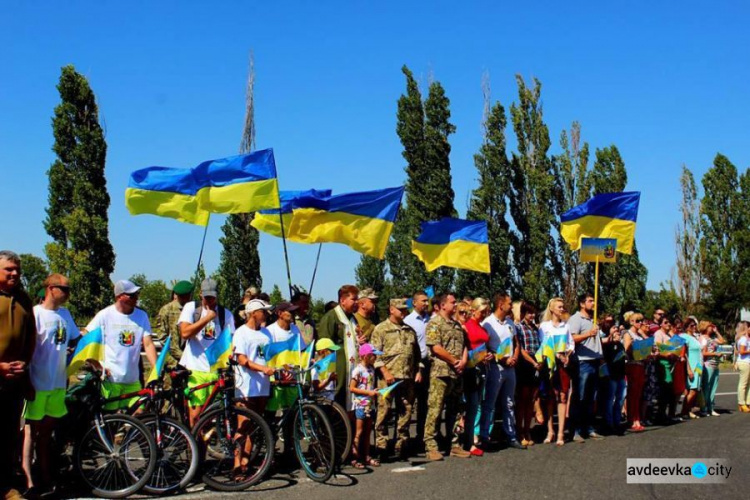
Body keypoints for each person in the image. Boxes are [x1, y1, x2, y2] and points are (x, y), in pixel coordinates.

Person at [21, 274, 79, 496]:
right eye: (64, 289)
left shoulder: (65, 314)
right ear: (51, 289)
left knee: (46, 434)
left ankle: (45, 474)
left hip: (58, 383)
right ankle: (28, 480)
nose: (67, 294)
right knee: (30, 433)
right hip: (37, 382)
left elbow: (76, 339)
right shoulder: (35, 314)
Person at [83, 280, 157, 411]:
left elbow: (148, 343)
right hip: (111, 379)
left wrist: (156, 368)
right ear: (119, 297)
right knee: (111, 419)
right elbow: (85, 336)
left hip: (133, 379)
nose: (136, 298)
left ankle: (126, 431)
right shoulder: (105, 315)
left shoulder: (142, 316)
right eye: (132, 295)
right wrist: (96, 364)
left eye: (137, 294)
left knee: (140, 413)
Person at [0, 251, 36, 500]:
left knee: (8, 437)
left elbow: (31, 337)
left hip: (14, 382)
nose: (14, 273)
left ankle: (5, 488)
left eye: (17, 270)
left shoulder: (23, 298)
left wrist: (24, 364)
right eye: (8, 269)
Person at [178, 278, 235, 426]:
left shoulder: (225, 314)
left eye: (213, 297)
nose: (210, 301)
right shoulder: (191, 308)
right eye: (207, 297)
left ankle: (204, 444)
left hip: (216, 370)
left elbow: (231, 341)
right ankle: (196, 445)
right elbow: (185, 333)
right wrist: (207, 318)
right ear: (200, 295)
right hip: (195, 369)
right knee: (196, 415)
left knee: (213, 415)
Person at [370, 298, 421, 460]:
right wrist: (385, 372)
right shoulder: (381, 329)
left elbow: (417, 354)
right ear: (391, 309)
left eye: (405, 309)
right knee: (384, 412)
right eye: (400, 309)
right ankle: (382, 446)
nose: (403, 312)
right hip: (388, 379)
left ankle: (401, 444)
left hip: (407, 378)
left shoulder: (409, 330)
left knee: (405, 411)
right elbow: (374, 355)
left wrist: (418, 370)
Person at [423, 294, 470, 461]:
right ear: (442, 305)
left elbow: (465, 345)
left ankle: (454, 444)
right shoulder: (434, 323)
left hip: (456, 374)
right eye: (452, 302)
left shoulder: (457, 325)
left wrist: (463, 361)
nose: (455, 304)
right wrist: (454, 360)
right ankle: (431, 446)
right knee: (435, 410)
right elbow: (435, 347)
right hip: (441, 373)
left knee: (456, 410)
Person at [232, 298, 274, 479]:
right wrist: (262, 369)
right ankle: (235, 464)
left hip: (263, 386)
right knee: (242, 426)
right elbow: (242, 359)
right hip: (246, 386)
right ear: (253, 313)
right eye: (263, 311)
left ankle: (246, 463)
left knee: (255, 427)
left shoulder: (266, 334)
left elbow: (270, 356)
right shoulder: (241, 333)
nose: (266, 314)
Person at [480, 293, 525, 450]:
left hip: (510, 368)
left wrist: (515, 357)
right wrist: (502, 358)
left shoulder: (510, 323)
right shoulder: (488, 323)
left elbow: (516, 342)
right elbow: (485, 347)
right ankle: (484, 435)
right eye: (509, 303)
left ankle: (511, 435)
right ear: (500, 304)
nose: (511, 306)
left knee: (509, 402)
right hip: (495, 368)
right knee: (490, 403)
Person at [318, 285, 361, 410]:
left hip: (352, 368)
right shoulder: (331, 317)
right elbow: (324, 346)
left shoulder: (353, 318)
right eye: (353, 299)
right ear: (342, 300)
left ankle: (346, 428)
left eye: (357, 299)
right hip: (338, 369)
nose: (356, 302)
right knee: (337, 398)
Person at [538, 298, 575, 446]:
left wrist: (567, 354)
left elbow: (570, 343)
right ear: (552, 309)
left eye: (563, 306)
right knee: (550, 397)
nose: (562, 309)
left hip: (562, 366)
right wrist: (553, 354)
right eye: (559, 307)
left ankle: (560, 433)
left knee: (563, 396)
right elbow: (543, 344)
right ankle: (550, 431)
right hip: (549, 365)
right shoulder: (544, 326)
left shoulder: (565, 327)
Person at [568, 293, 605, 442]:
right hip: (582, 362)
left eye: (594, 300)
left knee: (591, 398)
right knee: (580, 397)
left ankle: (589, 427)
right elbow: (571, 338)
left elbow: (598, 340)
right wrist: (588, 334)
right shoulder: (576, 319)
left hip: (595, 361)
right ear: (582, 304)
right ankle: (576, 430)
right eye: (590, 301)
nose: (593, 303)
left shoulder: (594, 319)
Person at [461, 297, 491, 456]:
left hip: (482, 367)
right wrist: (476, 356)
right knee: (472, 405)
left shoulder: (480, 326)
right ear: (473, 310)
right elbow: (464, 347)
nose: (484, 314)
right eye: (482, 311)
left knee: (478, 404)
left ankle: (472, 436)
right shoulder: (466, 326)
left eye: (486, 312)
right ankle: (469, 441)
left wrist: (487, 355)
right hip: (471, 369)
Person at [265, 302, 305, 413]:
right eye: (290, 311)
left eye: (293, 311)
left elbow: (301, 350)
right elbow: (268, 356)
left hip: (292, 377)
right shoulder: (270, 331)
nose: (293, 313)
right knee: (272, 413)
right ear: (280, 313)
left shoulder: (295, 329)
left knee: (292, 412)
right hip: (277, 380)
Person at [403, 290, 431, 449]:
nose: (426, 304)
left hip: (430, 364)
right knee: (410, 402)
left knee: (427, 403)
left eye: (427, 301)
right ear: (414, 303)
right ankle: (405, 439)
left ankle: (423, 435)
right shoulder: (409, 321)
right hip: (415, 366)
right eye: (423, 301)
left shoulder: (432, 319)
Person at [350, 343, 382, 468]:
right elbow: (352, 388)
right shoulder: (358, 370)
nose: (375, 357)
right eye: (372, 355)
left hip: (370, 405)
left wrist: (374, 391)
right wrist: (368, 392)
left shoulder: (371, 369)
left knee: (368, 431)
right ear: (365, 356)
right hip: (361, 405)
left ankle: (366, 456)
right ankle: (354, 458)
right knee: (359, 431)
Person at [515, 301, 542, 446]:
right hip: (525, 364)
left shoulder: (535, 329)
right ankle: (520, 431)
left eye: (533, 313)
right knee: (522, 400)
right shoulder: (519, 327)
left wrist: (539, 362)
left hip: (536, 364)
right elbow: (521, 349)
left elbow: (539, 346)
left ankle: (527, 430)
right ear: (523, 313)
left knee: (532, 399)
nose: (532, 315)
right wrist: (532, 362)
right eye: (529, 313)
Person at [157, 280, 194, 367]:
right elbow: (162, 336)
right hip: (172, 361)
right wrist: (181, 355)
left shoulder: (194, 309)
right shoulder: (166, 310)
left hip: (191, 358)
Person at [653, 316, 682, 424]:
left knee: (668, 390)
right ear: (660, 324)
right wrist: (668, 353)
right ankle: (660, 415)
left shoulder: (669, 335)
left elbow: (675, 346)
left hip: (670, 363)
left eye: (669, 322)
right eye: (665, 322)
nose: (668, 324)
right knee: (665, 388)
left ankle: (664, 414)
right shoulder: (658, 334)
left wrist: (675, 354)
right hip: (662, 363)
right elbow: (657, 349)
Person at [622, 312, 648, 431]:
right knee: (632, 393)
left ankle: (637, 418)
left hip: (641, 364)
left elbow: (649, 345)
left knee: (638, 393)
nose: (640, 323)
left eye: (641, 320)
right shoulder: (628, 334)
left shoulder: (640, 335)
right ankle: (632, 419)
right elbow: (627, 350)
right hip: (632, 364)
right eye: (637, 321)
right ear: (631, 322)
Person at [602, 323, 626, 434]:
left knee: (621, 398)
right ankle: (609, 422)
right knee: (610, 399)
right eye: (613, 328)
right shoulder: (606, 345)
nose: (616, 330)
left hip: (621, 375)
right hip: (611, 375)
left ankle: (617, 421)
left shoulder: (621, 345)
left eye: (617, 328)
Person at [698, 321, 725, 416]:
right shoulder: (702, 338)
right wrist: (715, 353)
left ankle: (711, 407)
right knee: (706, 387)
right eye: (710, 326)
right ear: (705, 327)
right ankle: (704, 408)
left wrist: (717, 332)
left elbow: (722, 341)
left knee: (713, 387)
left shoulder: (712, 338)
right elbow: (703, 353)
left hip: (715, 364)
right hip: (707, 364)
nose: (712, 328)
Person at [678, 318, 702, 420]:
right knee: (693, 390)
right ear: (687, 326)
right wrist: (689, 369)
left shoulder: (695, 337)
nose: (694, 327)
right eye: (692, 325)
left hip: (698, 366)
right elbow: (685, 353)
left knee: (695, 389)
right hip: (691, 365)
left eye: (695, 325)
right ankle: (684, 411)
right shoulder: (684, 336)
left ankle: (688, 410)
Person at [736, 321, 750, 413]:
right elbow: (741, 351)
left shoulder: (747, 339)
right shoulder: (743, 339)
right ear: (747, 328)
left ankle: (748, 402)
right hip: (744, 363)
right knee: (743, 384)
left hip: (748, 362)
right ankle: (741, 403)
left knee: (748, 384)